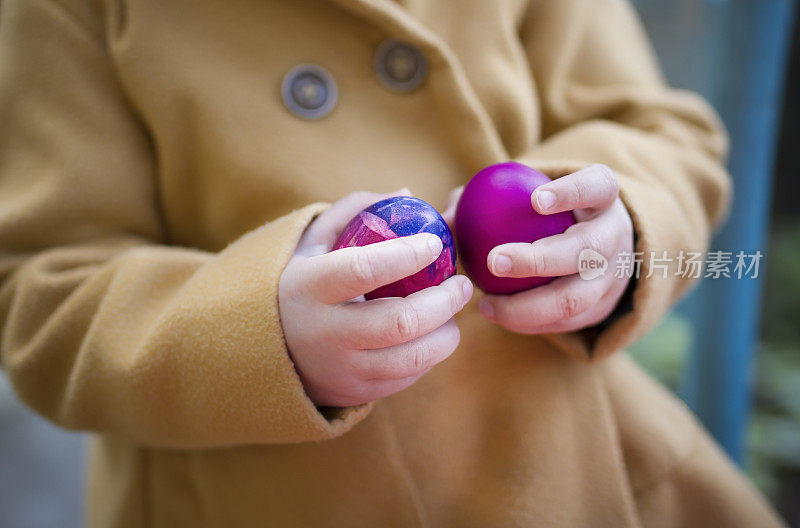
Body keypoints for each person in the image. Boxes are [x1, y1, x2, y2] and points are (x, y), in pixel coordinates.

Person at [0, 0, 786, 526]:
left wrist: (618, 227)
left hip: (571, 470)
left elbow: (659, 129)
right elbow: (43, 290)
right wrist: (256, 333)